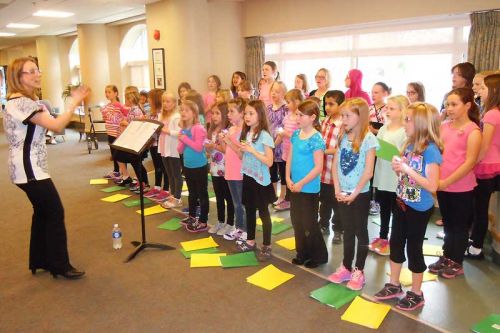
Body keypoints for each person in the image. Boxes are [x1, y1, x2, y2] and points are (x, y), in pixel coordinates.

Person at [4, 57, 89, 279]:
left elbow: (52, 125)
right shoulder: (22, 103)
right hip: (29, 169)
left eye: (37, 70)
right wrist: (74, 102)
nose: (37, 74)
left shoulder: (24, 102)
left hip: (28, 167)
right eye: (30, 71)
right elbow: (58, 125)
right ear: (18, 77)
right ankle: (60, 265)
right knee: (54, 212)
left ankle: (40, 259)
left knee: (42, 212)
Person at [374, 102, 443, 311]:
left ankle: (416, 292)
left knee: (414, 248)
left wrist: (406, 169)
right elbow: (406, 177)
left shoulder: (431, 151)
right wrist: (399, 169)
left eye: (408, 120)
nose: (405, 124)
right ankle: (394, 284)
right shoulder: (409, 145)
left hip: (419, 208)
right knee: (396, 243)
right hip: (402, 201)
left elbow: (432, 185)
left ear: (421, 123)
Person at [327, 98, 379, 291]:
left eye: (347, 116)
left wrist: (354, 194)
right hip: (343, 192)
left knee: (360, 231)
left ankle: (359, 270)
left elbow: (368, 172)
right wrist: (337, 190)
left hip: (360, 194)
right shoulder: (342, 136)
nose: (344, 119)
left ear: (360, 116)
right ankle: (347, 267)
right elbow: (335, 166)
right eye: (342, 115)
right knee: (347, 229)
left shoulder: (368, 139)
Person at [429, 88, 481, 279]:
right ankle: (446, 255)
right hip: (443, 185)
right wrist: (437, 181)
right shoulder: (444, 126)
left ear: (467, 105)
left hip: (461, 188)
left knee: (459, 226)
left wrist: (446, 181)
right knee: (448, 224)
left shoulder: (473, 130)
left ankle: (456, 261)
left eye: (454, 104)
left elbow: (470, 162)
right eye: (447, 104)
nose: (449, 108)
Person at [286, 100, 328, 268]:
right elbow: (290, 157)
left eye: (301, 115)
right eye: (297, 114)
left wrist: (301, 183)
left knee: (309, 222)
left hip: (308, 188)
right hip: (294, 185)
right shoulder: (296, 135)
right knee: (296, 220)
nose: (297, 118)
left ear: (312, 117)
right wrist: (288, 178)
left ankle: (318, 255)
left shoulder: (317, 139)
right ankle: (302, 253)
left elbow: (318, 167)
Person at [238, 100, 276, 262]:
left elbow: (269, 161)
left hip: (260, 181)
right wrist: (234, 146)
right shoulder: (247, 133)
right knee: (250, 211)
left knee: (264, 213)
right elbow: (242, 157)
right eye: (246, 113)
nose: (247, 116)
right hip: (248, 177)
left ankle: (266, 245)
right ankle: (250, 240)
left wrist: (252, 151)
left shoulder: (265, 136)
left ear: (260, 116)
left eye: (251, 113)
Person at [370, 95, 409, 256]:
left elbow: (403, 153)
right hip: (382, 173)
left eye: (392, 108)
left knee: (396, 209)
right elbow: (377, 145)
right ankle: (382, 236)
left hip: (395, 176)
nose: (387, 111)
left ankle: (395, 240)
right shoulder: (385, 128)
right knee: (384, 207)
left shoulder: (405, 131)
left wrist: (392, 153)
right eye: (387, 107)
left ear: (402, 111)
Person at [468, 73, 500, 259]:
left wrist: (472, 163)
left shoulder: (491, 113)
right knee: (480, 207)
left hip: (486, 165)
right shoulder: (495, 111)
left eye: (483, 88)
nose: (479, 91)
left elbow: (485, 144)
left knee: (479, 208)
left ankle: (476, 246)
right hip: (494, 164)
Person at [178, 100, 210, 232]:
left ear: (194, 113)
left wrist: (184, 138)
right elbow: (180, 150)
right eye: (182, 110)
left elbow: (198, 147)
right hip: (188, 165)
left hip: (199, 166)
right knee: (192, 193)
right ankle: (191, 216)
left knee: (202, 193)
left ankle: (203, 221)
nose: (183, 112)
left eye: (186, 110)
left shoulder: (199, 128)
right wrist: (182, 138)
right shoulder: (185, 129)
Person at [319, 90, 345, 242]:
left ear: (341, 105)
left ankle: (338, 229)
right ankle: (323, 224)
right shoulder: (325, 122)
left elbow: (342, 149)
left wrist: (324, 151)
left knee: (338, 203)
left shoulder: (343, 124)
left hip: (337, 172)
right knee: (324, 201)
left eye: (331, 104)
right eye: (326, 104)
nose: (327, 107)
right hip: (323, 170)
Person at [206, 102, 235, 236]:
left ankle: (230, 223)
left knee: (228, 197)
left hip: (225, 168)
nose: (214, 116)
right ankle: (220, 221)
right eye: (212, 113)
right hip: (215, 168)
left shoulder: (226, 131)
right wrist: (208, 148)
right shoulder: (212, 130)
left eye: (217, 113)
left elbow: (225, 149)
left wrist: (214, 146)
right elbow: (209, 151)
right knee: (218, 196)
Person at [220, 98, 247, 242]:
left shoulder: (244, 131)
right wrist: (223, 140)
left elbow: (242, 155)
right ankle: (239, 228)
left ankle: (246, 230)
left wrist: (230, 141)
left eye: (232, 111)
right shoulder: (231, 129)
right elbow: (226, 151)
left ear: (242, 113)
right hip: (230, 170)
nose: (228, 114)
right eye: (228, 111)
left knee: (242, 203)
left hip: (240, 172)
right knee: (236, 202)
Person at [276, 88, 304, 211]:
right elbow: (282, 135)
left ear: (297, 101)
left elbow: (300, 136)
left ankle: (292, 200)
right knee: (285, 176)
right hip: (285, 152)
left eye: (289, 102)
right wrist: (275, 143)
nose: (286, 105)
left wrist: (286, 134)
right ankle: (287, 199)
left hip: (296, 154)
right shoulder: (287, 117)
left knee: (294, 177)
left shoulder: (300, 118)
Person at [155, 92, 182, 207]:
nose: (165, 104)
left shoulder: (176, 116)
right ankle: (172, 195)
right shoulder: (161, 115)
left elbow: (180, 133)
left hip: (173, 149)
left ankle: (177, 197)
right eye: (163, 101)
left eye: (168, 101)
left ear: (174, 103)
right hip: (163, 148)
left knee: (176, 174)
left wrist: (166, 131)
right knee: (169, 173)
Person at [267, 81, 288, 208]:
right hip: (270, 144)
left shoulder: (285, 109)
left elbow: (284, 130)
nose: (274, 93)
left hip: (281, 146)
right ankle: (273, 195)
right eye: (272, 91)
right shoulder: (268, 108)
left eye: (277, 91)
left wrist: (274, 145)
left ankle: (283, 196)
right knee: (272, 171)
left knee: (283, 171)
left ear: (283, 93)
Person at [143, 88, 167, 194]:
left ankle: (166, 189)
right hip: (153, 143)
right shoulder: (152, 113)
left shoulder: (161, 114)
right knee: (157, 166)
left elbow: (159, 128)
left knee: (164, 167)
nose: (148, 100)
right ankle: (157, 187)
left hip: (160, 143)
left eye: (150, 98)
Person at [101, 84, 127, 180]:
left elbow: (116, 120)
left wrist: (105, 112)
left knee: (118, 154)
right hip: (110, 132)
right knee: (113, 153)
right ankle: (116, 171)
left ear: (116, 93)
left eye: (109, 92)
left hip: (117, 133)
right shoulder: (108, 106)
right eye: (106, 92)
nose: (107, 94)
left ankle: (123, 173)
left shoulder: (118, 105)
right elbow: (106, 118)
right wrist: (105, 114)